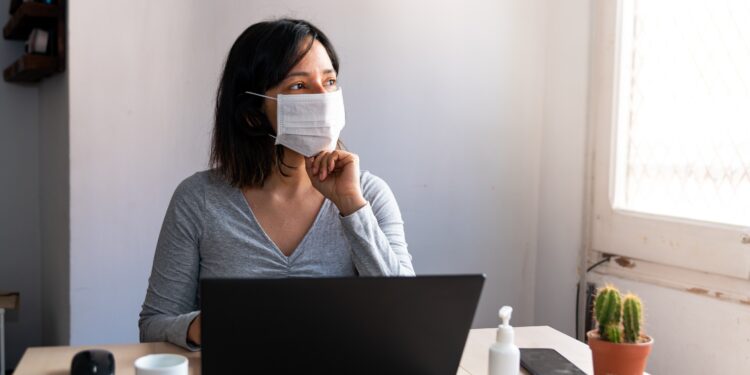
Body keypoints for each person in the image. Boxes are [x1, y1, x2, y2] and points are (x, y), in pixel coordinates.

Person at [138, 18, 415, 350]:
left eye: (329, 81)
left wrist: (352, 208)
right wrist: (203, 326)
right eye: (299, 86)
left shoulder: (368, 194)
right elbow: (154, 325)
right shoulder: (197, 199)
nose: (323, 98)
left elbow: (407, 318)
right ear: (252, 114)